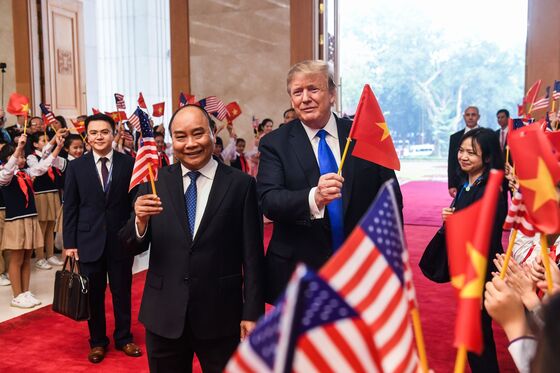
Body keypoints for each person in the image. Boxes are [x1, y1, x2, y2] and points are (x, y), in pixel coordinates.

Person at [121, 105, 264, 373]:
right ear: (171, 141)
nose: (190, 144)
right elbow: (129, 244)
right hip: (164, 314)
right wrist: (140, 222)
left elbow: (253, 255)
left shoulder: (240, 185)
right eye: (180, 136)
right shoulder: (154, 181)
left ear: (212, 134)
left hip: (221, 315)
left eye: (198, 134)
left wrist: (252, 312)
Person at [257, 59, 403, 303]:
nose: (305, 98)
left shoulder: (363, 135)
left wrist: (389, 254)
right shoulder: (275, 144)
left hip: (361, 270)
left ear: (332, 94)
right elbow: (269, 201)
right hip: (299, 274)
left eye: (313, 89)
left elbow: (391, 199)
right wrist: (314, 197)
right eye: (297, 92)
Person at [64, 113, 142, 364]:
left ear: (113, 133)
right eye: (94, 132)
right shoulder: (76, 166)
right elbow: (71, 207)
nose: (99, 137)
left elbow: (134, 203)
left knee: (122, 291)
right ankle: (97, 342)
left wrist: (134, 233)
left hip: (120, 240)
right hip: (88, 241)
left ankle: (124, 338)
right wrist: (69, 244)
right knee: (93, 295)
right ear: (87, 136)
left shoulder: (129, 163)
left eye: (104, 132)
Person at [441, 127, 507, 373]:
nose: (463, 156)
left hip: (480, 267)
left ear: (487, 158)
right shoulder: (466, 182)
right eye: (461, 150)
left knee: (478, 336)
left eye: (472, 153)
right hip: (465, 264)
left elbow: (488, 238)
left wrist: (478, 285)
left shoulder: (491, 189)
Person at [0, 133, 65, 308]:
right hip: (16, 221)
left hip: (30, 219)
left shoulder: (26, 173)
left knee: (27, 257)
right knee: (16, 258)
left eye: (22, 156)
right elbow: (7, 170)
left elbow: (43, 166)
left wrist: (57, 148)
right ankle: (16, 295)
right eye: (17, 157)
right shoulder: (4, 176)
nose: (21, 159)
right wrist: (19, 148)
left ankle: (25, 291)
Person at [27, 131, 68, 269]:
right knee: (42, 227)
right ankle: (40, 257)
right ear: (34, 144)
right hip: (40, 194)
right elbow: (40, 168)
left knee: (51, 226)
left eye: (47, 140)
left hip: (52, 192)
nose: (46, 143)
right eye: (42, 140)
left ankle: (50, 255)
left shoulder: (50, 156)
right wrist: (53, 145)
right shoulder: (31, 157)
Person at [448, 106, 481, 198]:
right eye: (468, 115)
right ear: (464, 117)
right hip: (460, 181)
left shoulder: (486, 136)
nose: (470, 117)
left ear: (478, 117)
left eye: (473, 115)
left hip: (482, 181)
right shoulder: (455, 137)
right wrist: (451, 184)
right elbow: (451, 162)